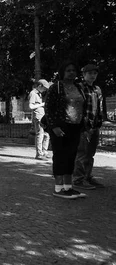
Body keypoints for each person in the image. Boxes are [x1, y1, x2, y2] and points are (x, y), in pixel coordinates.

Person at [45, 61, 86, 199]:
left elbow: (82, 106)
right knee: (60, 156)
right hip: (60, 126)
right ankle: (58, 188)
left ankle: (68, 187)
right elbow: (48, 108)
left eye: (73, 70)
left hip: (75, 126)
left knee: (71, 157)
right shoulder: (56, 87)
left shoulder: (78, 87)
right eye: (68, 70)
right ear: (62, 72)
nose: (71, 73)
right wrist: (54, 126)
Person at [73, 64, 105, 189]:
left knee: (90, 154)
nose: (92, 75)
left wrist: (98, 122)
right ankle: (78, 180)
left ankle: (87, 176)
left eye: (95, 73)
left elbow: (99, 108)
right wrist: (83, 124)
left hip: (95, 125)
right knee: (81, 153)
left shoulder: (97, 89)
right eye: (90, 73)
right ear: (84, 74)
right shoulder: (79, 87)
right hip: (83, 126)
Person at [29, 79, 51, 160]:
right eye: (44, 88)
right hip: (38, 116)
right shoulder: (33, 93)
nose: (45, 90)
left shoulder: (39, 94)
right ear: (39, 86)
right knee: (40, 134)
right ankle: (39, 154)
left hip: (43, 117)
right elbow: (31, 106)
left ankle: (44, 151)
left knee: (47, 135)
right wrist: (42, 104)